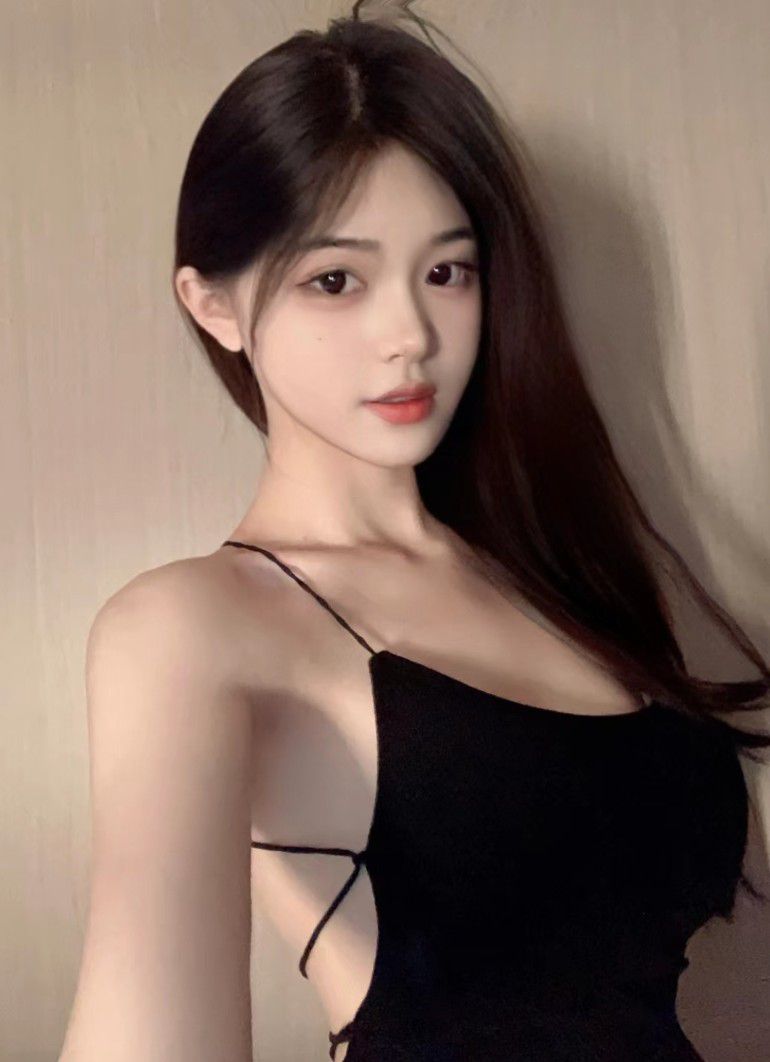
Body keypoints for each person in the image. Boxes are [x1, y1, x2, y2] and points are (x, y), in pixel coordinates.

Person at [59, 3, 770, 1060]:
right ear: (214, 306)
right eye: (334, 280)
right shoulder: (190, 628)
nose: (409, 336)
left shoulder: (559, 575)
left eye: (446, 272)